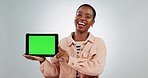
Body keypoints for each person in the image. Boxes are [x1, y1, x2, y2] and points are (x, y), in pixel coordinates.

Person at [23, 4, 107, 78]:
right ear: (75, 17)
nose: (82, 18)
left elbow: (97, 69)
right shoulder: (62, 43)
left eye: (87, 16)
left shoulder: (98, 43)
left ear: (92, 22)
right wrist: (42, 60)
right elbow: (55, 74)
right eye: (79, 14)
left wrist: (69, 59)